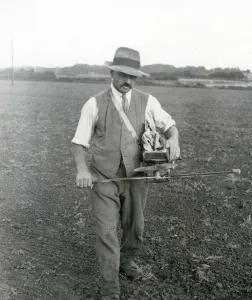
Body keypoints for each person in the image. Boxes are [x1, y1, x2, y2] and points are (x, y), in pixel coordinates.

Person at [71, 47, 180, 300]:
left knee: (135, 229)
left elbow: (170, 127)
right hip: (104, 179)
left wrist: (173, 141)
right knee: (107, 231)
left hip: (136, 178)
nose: (127, 81)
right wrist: (82, 169)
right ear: (111, 72)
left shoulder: (148, 101)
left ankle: (126, 261)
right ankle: (110, 290)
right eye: (122, 75)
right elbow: (79, 142)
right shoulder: (94, 103)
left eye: (133, 76)